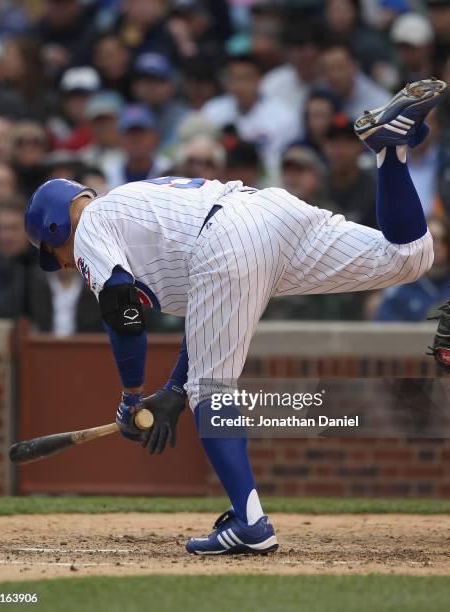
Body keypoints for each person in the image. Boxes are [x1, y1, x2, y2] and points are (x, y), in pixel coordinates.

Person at [24, 79, 443, 555]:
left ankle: (250, 524)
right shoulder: (130, 211)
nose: (60, 261)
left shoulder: (90, 225)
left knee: (212, 388)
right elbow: (206, 315)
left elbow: (122, 311)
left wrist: (131, 395)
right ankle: (391, 151)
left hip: (227, 239)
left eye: (52, 250)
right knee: (408, 257)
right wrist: (173, 391)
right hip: (268, 215)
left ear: (57, 226)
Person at [374, 216, 450, 321]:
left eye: (444, 240)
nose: (438, 247)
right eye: (433, 240)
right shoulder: (400, 289)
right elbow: (385, 332)